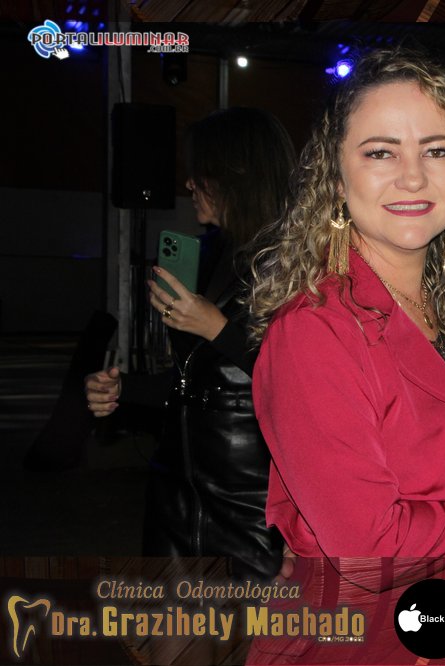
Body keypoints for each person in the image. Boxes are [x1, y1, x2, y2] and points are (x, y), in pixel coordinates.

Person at [246, 48, 445, 664]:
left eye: (436, 150)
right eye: (381, 152)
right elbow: (368, 553)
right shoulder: (314, 330)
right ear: (336, 180)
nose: (413, 177)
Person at [84, 107, 294, 580]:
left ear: (235, 173)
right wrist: (123, 390)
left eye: (200, 172)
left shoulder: (294, 263)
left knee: (249, 623)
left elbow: (306, 384)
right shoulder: (208, 253)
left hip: (253, 497)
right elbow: (192, 380)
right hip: (175, 487)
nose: (189, 184)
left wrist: (218, 328)